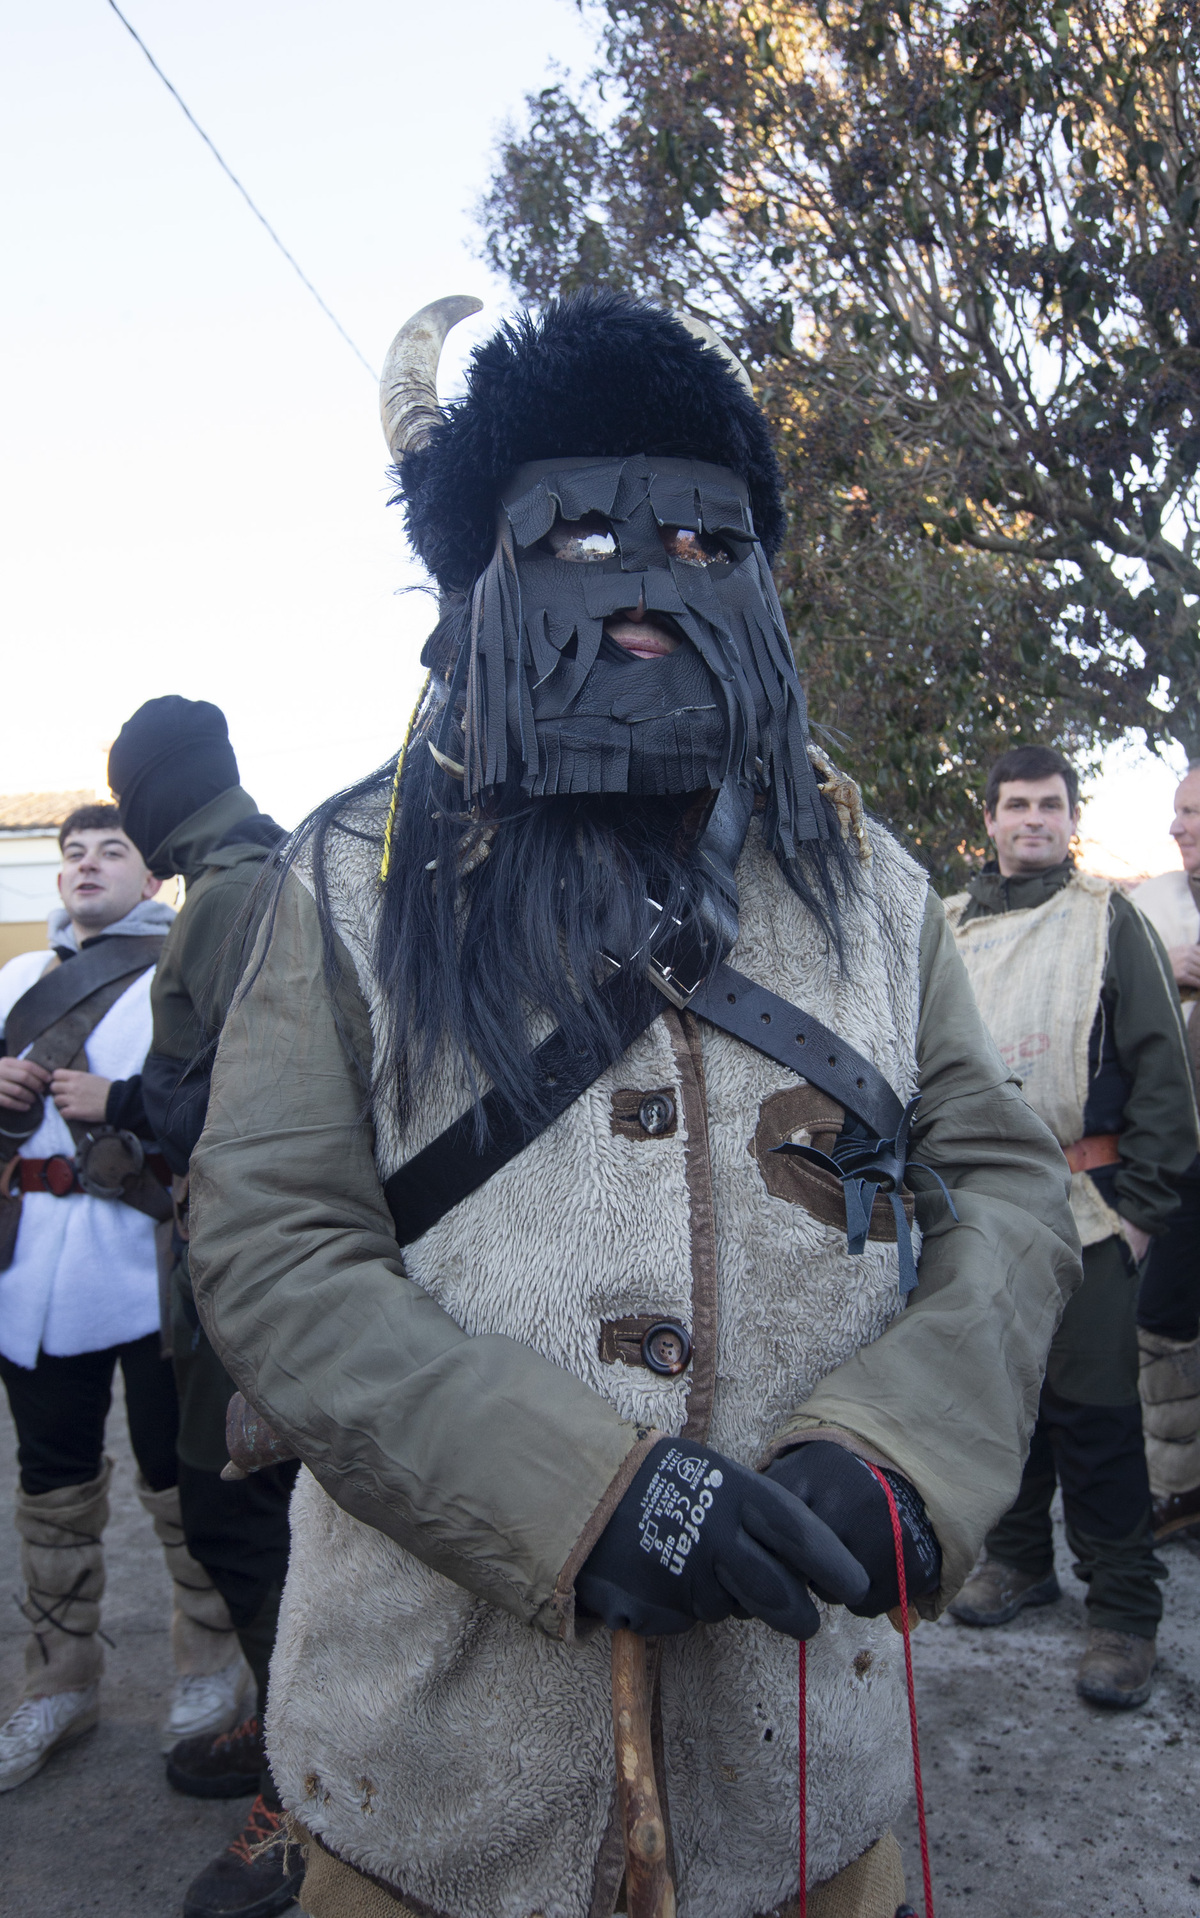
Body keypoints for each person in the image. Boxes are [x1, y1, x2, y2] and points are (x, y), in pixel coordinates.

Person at [189, 292, 1079, 1918]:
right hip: (434, 1783)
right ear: (479, 581)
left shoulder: (876, 887)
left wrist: (904, 1449)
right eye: (581, 535)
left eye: (697, 535)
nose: (646, 578)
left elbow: (1005, 1193)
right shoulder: (346, 876)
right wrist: (573, 1493)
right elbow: (273, 1239)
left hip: (801, 1780)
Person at [946, 745, 1197, 1709]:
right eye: (1016, 805)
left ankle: (1125, 1611)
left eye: (1050, 805)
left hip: (1089, 1211)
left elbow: (1163, 1078)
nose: (1033, 820)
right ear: (992, 818)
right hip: (973, 1206)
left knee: (1096, 1415)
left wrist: (1142, 1216)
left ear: (1068, 819)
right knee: (1004, 1404)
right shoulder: (948, 927)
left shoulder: (1106, 921)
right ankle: (1017, 1560)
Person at [104, 698, 302, 1918]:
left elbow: (229, 1109)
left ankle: (314, 1778)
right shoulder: (249, 869)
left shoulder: (231, 893)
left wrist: (108, 1099)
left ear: (156, 797)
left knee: (235, 1511)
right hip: (238, 1252)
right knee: (241, 1506)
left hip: (257, 1259)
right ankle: (293, 1727)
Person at [0, 806, 243, 1792]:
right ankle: (61, 1675)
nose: (87, 865)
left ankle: (209, 1660)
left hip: (144, 1265)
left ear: (152, 881)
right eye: (73, 855)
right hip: (34, 1274)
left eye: (112, 851)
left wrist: (120, 1104)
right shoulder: (18, 980)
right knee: (50, 1480)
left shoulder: (175, 969)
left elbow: (216, 1105)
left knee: (173, 1474)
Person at [1130, 767, 1200, 1538]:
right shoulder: (1155, 910)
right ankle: (1181, 1492)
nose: (1177, 828)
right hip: (1185, 1163)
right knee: (1165, 1318)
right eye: (1177, 812)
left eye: (1192, 813)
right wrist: (1168, 979)